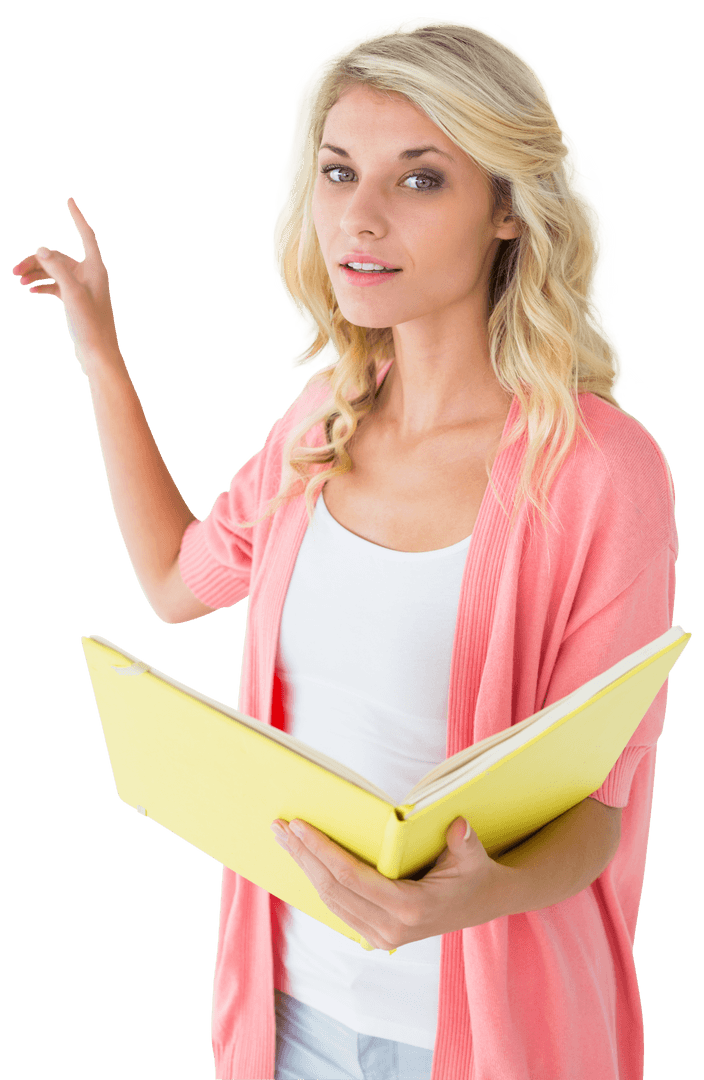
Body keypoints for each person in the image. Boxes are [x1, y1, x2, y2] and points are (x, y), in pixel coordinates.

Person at [11, 15, 678, 1080]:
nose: (357, 219)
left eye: (419, 181)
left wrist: (479, 891)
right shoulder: (324, 418)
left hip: (490, 1040)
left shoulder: (599, 469)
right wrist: (101, 353)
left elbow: (599, 809)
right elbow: (176, 583)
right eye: (336, 172)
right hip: (286, 1021)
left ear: (506, 208)